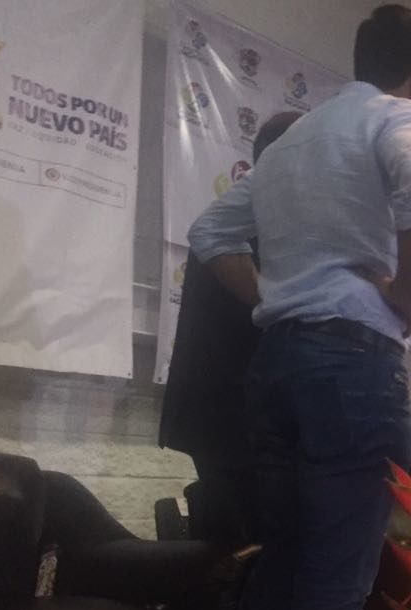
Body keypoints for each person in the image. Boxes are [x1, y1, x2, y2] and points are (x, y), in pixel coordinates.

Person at [186, 5, 411, 610]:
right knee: (336, 582)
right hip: (353, 365)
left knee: (282, 565)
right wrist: (407, 297)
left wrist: (270, 296)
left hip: (278, 362)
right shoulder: (397, 113)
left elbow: (210, 231)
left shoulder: (292, 142)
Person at [159, 110, 302, 546]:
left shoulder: (250, 213)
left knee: (240, 539)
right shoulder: (258, 216)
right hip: (236, 416)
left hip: (224, 415)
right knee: (250, 545)